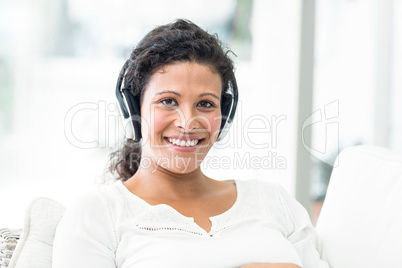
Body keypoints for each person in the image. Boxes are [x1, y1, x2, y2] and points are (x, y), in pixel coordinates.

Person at [52, 19, 329, 268]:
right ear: (135, 111)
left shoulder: (274, 202)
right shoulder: (98, 216)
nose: (188, 122)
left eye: (205, 104)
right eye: (168, 101)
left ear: (224, 117)